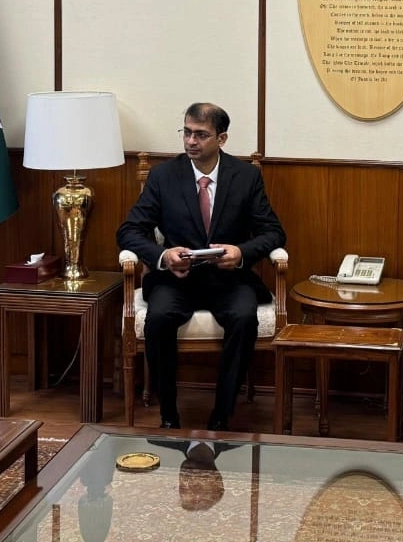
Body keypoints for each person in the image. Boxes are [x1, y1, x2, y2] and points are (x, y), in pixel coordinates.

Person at [116, 102, 286, 431]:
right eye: (187, 132)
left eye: (201, 135)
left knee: (243, 318)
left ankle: (221, 416)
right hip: (176, 280)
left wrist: (240, 252)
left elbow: (274, 233)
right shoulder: (164, 176)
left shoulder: (245, 176)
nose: (191, 141)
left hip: (229, 280)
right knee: (158, 319)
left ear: (221, 139)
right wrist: (163, 256)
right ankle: (169, 416)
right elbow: (128, 231)